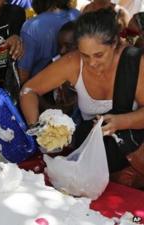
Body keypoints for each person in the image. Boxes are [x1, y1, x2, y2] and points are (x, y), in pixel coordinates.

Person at [20, 9, 144, 188]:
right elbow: (28, 90)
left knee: (131, 215)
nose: (92, 63)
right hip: (94, 164)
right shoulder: (73, 63)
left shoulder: (135, 63)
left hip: (134, 160)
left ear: (115, 43)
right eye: (85, 55)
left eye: (99, 55)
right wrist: (37, 128)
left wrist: (122, 121)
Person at [18, 0, 79, 81]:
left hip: (40, 87)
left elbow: (22, 76)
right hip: (74, 79)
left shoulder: (31, 27)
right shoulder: (77, 15)